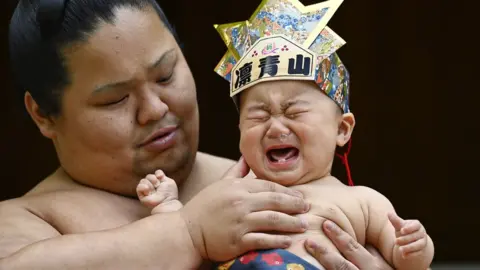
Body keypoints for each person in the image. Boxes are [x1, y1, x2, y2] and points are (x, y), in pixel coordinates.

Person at [0, 0, 399, 269]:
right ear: (43, 114)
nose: (155, 109)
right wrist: (186, 233)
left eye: (166, 74)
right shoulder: (25, 221)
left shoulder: (275, 179)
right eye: (115, 99)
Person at [136, 1, 434, 270]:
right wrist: (169, 207)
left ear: (342, 130)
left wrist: (413, 247)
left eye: (294, 113)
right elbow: (189, 237)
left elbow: (403, 258)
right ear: (239, 132)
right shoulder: (232, 189)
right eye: (259, 115)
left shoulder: (363, 201)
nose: (276, 128)